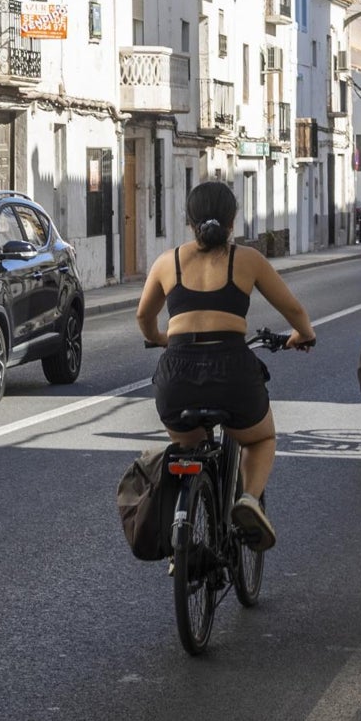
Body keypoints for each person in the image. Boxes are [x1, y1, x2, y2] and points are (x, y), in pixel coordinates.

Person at [136, 181, 316, 552]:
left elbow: (144, 316)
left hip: (177, 376)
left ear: (189, 221)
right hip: (232, 371)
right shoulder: (246, 259)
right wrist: (304, 334)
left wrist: (159, 337)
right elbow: (294, 309)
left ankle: (194, 507)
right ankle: (248, 498)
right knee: (261, 437)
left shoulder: (167, 262)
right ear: (233, 221)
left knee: (192, 448)